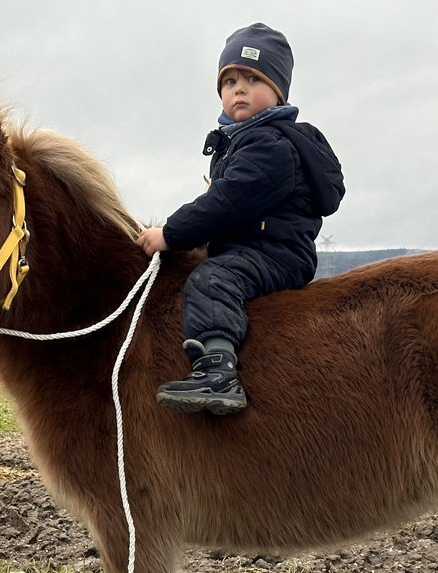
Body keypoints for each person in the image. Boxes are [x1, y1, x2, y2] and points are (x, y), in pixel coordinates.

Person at [137, 22, 345, 414]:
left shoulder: (271, 145)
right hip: (255, 247)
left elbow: (225, 203)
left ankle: (218, 372)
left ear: (279, 91)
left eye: (253, 78)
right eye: (229, 80)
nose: (240, 88)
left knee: (212, 280)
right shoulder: (242, 142)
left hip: (274, 253)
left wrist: (172, 233)